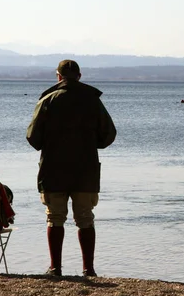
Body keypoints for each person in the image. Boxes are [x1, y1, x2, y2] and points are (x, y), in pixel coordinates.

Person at [26, 59, 117, 277]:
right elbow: (108, 135)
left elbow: (33, 137)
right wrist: (88, 144)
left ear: (58, 76)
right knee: (85, 218)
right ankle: (89, 269)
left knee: (54, 217)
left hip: (52, 170)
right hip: (86, 170)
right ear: (79, 76)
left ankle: (55, 268)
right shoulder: (93, 101)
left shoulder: (47, 100)